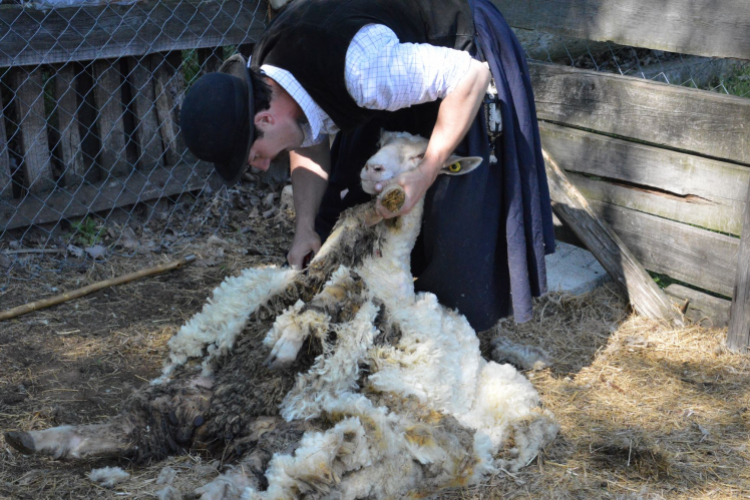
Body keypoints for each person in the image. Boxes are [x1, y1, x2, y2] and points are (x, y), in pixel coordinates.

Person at [180, 0, 555, 332]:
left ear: (264, 121)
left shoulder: (364, 72)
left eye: (255, 155)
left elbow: (470, 75)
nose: (261, 167)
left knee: (456, 229)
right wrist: (304, 227)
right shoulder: (267, 76)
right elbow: (306, 134)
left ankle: (444, 345)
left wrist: (426, 172)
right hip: (396, 56)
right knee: (339, 222)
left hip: (458, 46)